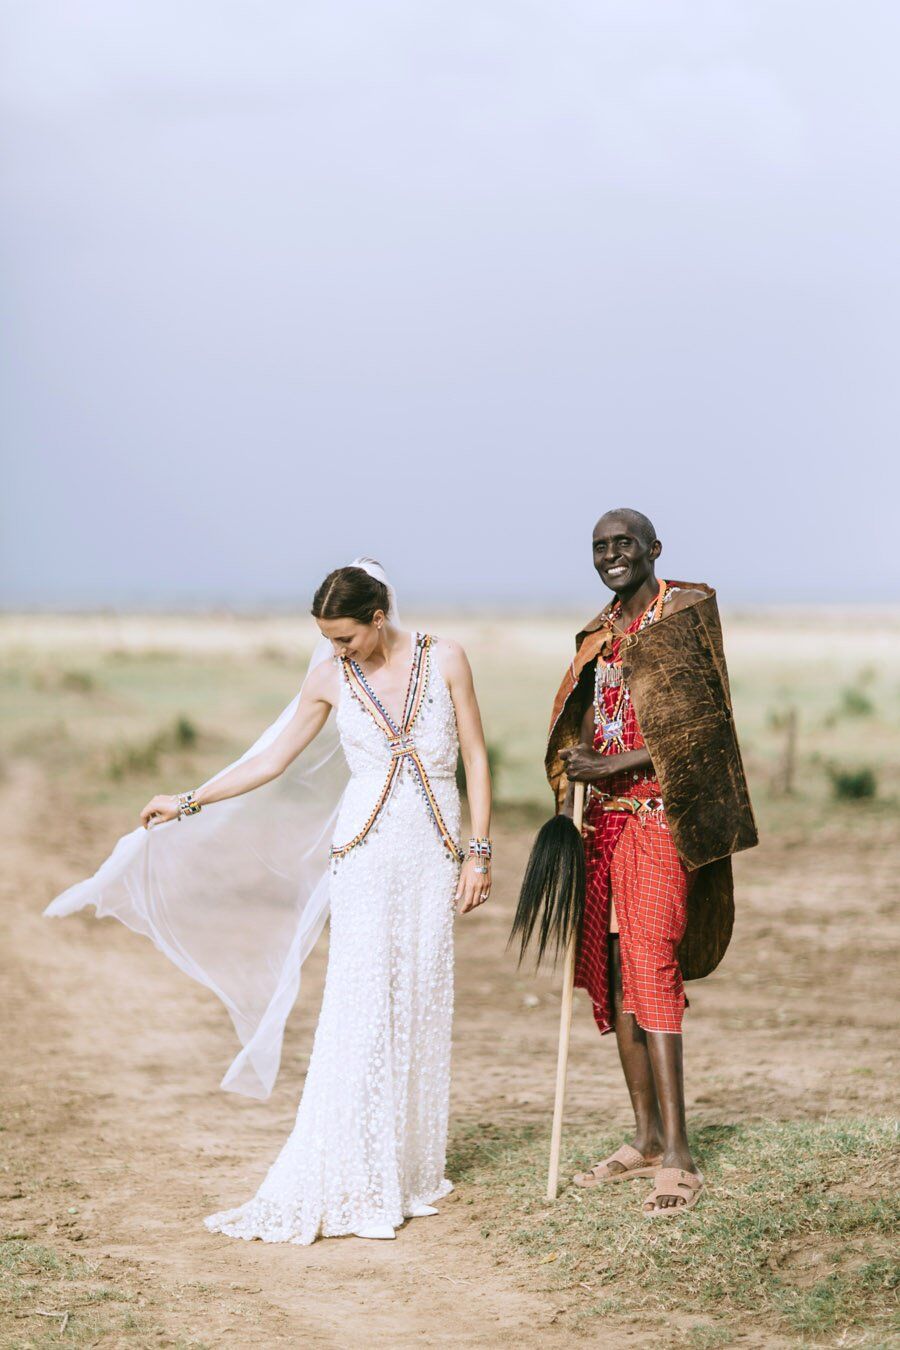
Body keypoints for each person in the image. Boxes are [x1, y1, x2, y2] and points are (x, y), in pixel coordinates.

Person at [47, 560, 492, 1243]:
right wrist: (188, 800)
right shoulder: (328, 679)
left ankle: (404, 1167)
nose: (336, 651)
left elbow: (475, 754)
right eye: (327, 639)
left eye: (344, 638)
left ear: (379, 618)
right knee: (363, 1005)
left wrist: (478, 850)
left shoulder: (447, 658)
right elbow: (270, 759)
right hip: (366, 858)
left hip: (432, 857)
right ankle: (353, 1168)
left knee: (420, 997)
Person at [546, 511, 756, 1217]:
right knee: (612, 973)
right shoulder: (600, 635)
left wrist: (610, 763)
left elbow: (704, 728)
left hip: (660, 818)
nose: (612, 555)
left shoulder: (685, 613)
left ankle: (682, 1157)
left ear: (652, 550)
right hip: (603, 823)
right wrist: (577, 770)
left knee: (651, 966)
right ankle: (644, 1138)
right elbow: (581, 716)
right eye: (600, 547)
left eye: (624, 544)